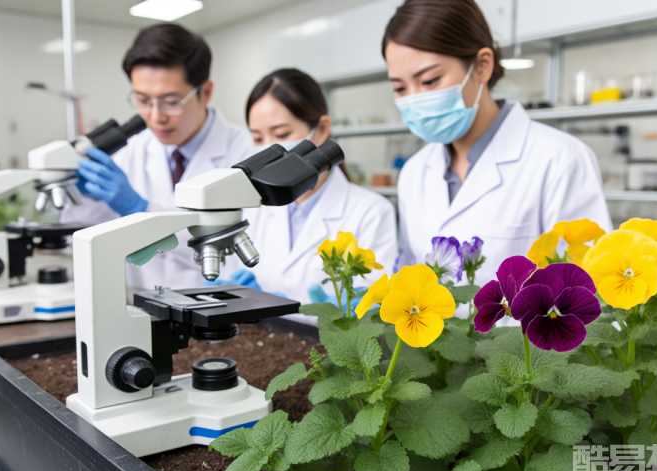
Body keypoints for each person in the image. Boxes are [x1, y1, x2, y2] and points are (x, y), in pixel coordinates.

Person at [383, 0, 612, 283]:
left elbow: (585, 286)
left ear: (482, 66)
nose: (415, 99)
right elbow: (409, 280)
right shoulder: (414, 172)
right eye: (399, 88)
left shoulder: (560, 159)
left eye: (430, 80)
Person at [61, 23, 252, 290]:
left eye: (171, 102)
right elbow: (81, 237)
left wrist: (142, 211)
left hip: (220, 308)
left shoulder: (246, 151)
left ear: (206, 92)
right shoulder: (132, 150)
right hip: (141, 305)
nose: (155, 116)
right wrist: (84, 199)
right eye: (143, 100)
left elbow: (244, 249)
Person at [220, 68, 397, 305]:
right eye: (258, 138)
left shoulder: (371, 212)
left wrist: (295, 309)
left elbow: (368, 310)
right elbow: (232, 274)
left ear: (322, 129)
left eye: (281, 134)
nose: (268, 150)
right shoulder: (253, 208)